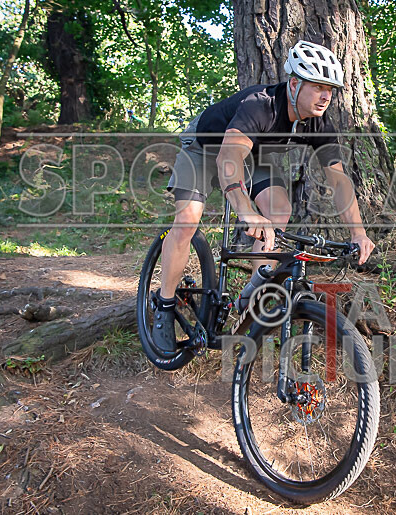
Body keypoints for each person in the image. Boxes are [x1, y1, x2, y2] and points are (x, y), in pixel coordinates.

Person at [151, 40, 376, 355]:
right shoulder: (262, 104)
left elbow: (338, 180)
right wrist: (246, 210)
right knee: (187, 221)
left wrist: (358, 232)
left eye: (331, 88)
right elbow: (228, 159)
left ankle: (251, 296)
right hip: (206, 146)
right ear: (294, 84)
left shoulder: (319, 121)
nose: (326, 95)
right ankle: (163, 304)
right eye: (318, 87)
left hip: (256, 151)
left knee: (279, 210)